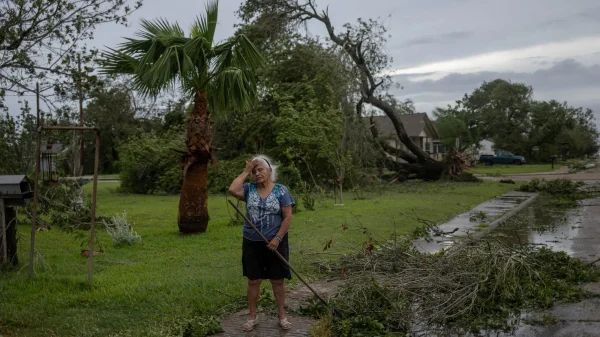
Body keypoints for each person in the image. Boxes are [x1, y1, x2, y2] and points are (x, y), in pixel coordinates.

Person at [228, 155, 295, 332]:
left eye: (261, 169)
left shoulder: (281, 190)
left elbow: (288, 216)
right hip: (252, 241)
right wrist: (246, 170)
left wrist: (278, 238)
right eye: (254, 171)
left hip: (276, 242)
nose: (257, 173)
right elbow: (232, 189)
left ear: (270, 171)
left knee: (277, 281)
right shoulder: (249, 189)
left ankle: (282, 316)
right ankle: (252, 317)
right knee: (253, 280)